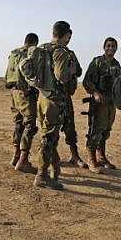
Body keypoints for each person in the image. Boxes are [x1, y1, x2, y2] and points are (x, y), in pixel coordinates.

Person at [33, 21, 85, 190]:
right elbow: (62, 76)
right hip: (55, 100)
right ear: (67, 35)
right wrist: (71, 68)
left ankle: (52, 172)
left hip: (43, 97)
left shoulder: (41, 48)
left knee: (49, 135)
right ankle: (41, 175)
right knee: (49, 138)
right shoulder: (61, 52)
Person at [82, 37, 121, 172]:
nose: (111, 48)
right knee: (96, 129)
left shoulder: (117, 65)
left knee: (106, 130)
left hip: (111, 103)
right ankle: (91, 159)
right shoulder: (97, 62)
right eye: (108, 46)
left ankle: (101, 157)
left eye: (113, 46)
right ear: (104, 47)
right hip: (99, 102)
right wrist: (95, 93)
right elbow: (87, 81)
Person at [5, 33, 39, 173]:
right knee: (30, 125)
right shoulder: (29, 53)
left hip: (14, 93)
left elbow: (8, 74)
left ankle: (16, 156)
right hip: (25, 93)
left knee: (18, 123)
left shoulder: (14, 53)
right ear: (34, 43)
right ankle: (23, 160)